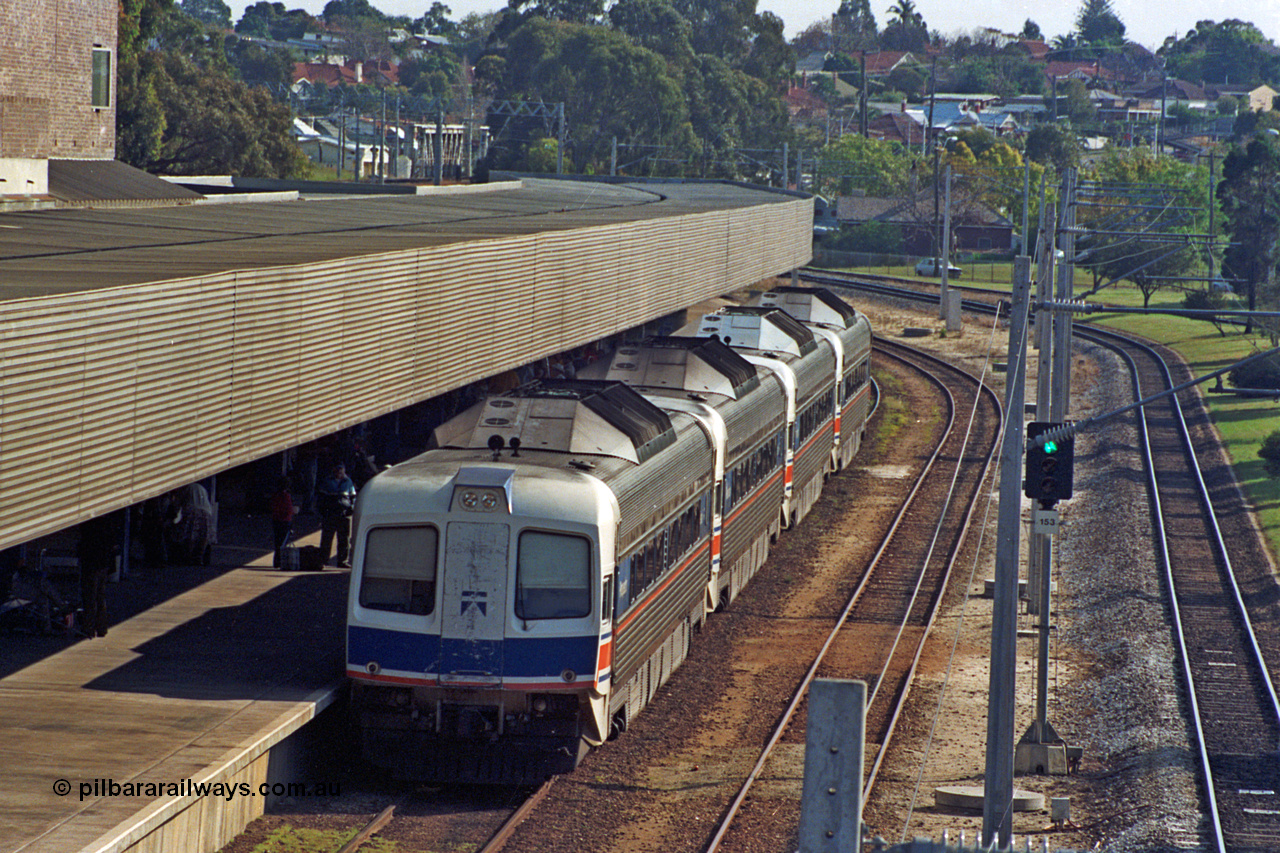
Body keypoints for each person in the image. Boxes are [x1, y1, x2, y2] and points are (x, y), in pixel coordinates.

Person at [77, 513, 120, 638]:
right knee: (100, 596)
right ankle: (101, 627)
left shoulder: (89, 524)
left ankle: (88, 628)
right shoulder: (107, 522)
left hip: (91, 563)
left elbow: (85, 541)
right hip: (103, 563)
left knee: (89, 596)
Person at [317, 463, 356, 568]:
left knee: (344, 539)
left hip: (343, 515)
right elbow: (321, 497)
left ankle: (342, 561)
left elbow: (353, 497)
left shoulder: (348, 482)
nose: (339, 472)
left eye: (341, 470)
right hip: (330, 514)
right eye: (337, 470)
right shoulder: (327, 481)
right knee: (326, 539)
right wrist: (323, 512)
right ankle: (324, 560)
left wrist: (351, 509)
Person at [269, 476, 296, 568]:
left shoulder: (275, 495)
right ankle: (280, 561)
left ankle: (277, 561)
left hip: (276, 520)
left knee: (278, 542)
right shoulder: (286, 496)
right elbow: (288, 510)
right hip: (285, 521)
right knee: (283, 542)